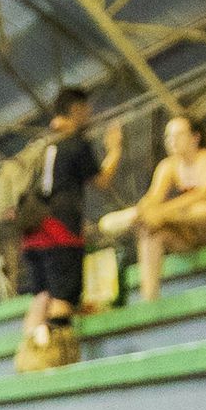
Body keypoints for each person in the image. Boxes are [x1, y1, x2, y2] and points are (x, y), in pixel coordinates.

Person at [16, 85, 123, 355]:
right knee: (62, 297)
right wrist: (114, 150)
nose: (89, 115)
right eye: (86, 110)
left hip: (32, 230)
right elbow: (102, 181)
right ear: (76, 110)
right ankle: (56, 356)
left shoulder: (42, 145)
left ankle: (29, 356)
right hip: (60, 231)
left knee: (42, 295)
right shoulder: (75, 144)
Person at [106, 111, 206, 301]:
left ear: (195, 137)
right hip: (190, 232)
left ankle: (148, 217)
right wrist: (143, 211)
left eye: (178, 135)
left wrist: (162, 213)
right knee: (151, 231)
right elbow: (153, 197)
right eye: (168, 137)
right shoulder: (167, 166)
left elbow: (202, 194)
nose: (172, 141)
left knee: (202, 209)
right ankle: (150, 300)